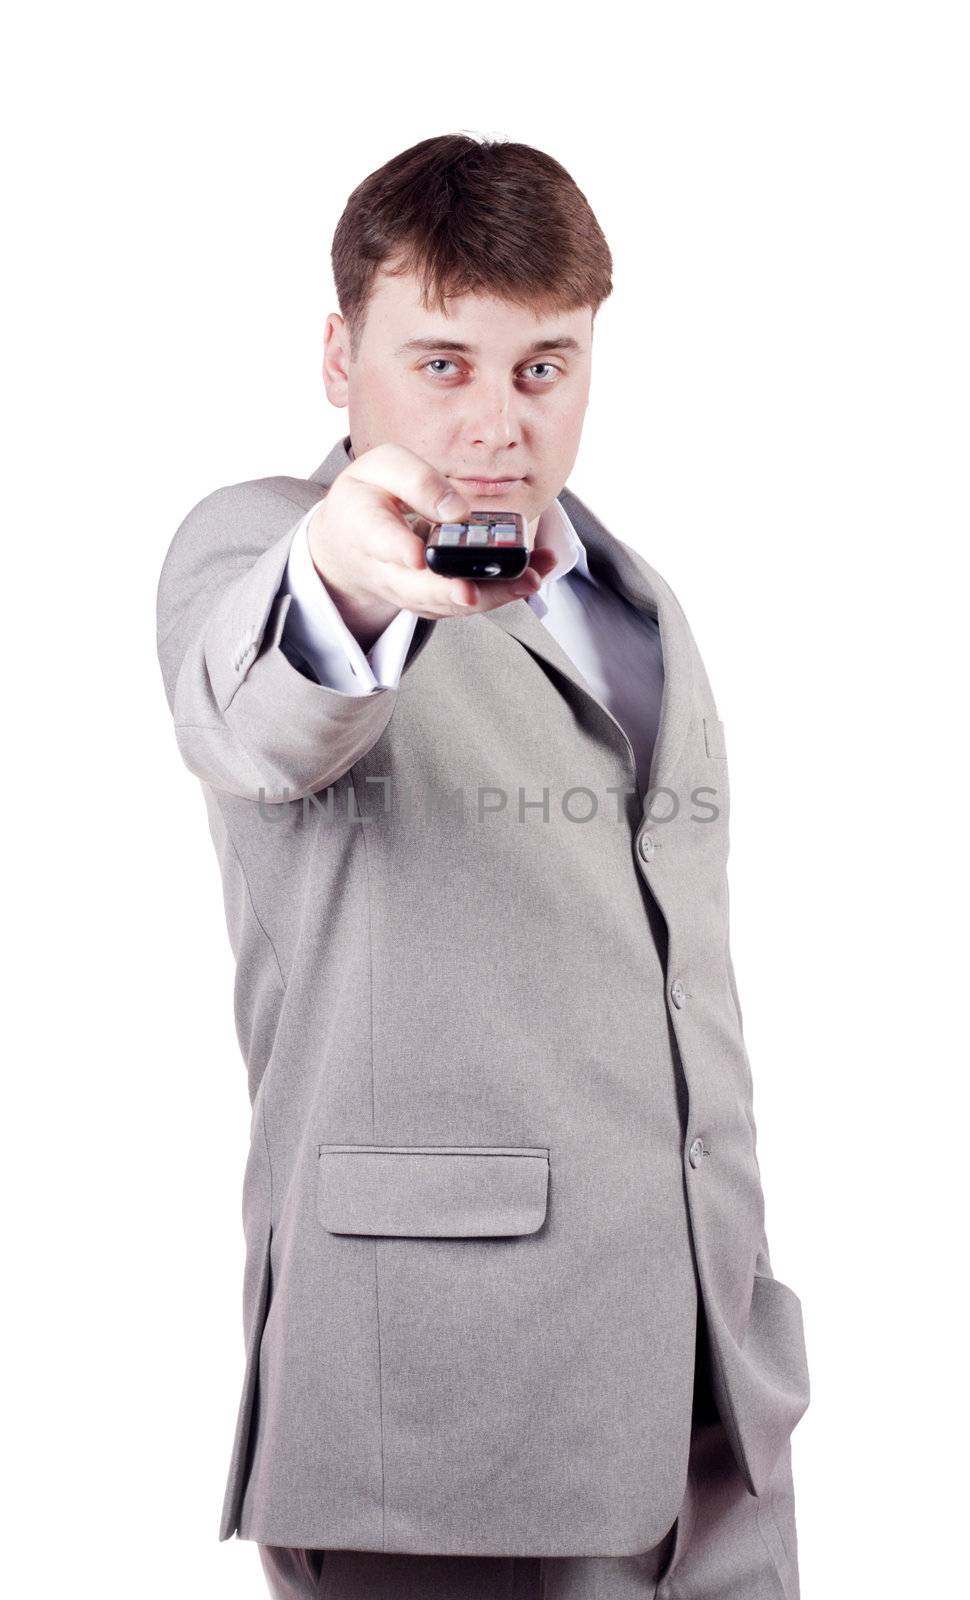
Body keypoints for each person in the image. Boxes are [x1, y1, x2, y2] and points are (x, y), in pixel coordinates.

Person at [156, 133, 810, 1599]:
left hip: (701, 1393)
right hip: (438, 1416)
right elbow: (251, 714)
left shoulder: (634, 597)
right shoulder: (263, 547)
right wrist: (337, 581)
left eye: (541, 367)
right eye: (440, 363)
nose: (497, 422)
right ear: (341, 355)